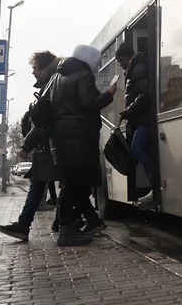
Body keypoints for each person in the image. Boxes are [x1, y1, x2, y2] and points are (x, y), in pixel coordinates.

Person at [45, 44, 115, 246]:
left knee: (71, 184)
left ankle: (68, 226)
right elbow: (89, 103)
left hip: (62, 139)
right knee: (80, 186)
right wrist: (110, 93)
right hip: (78, 139)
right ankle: (68, 230)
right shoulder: (83, 75)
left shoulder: (58, 77)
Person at [0, 50, 60, 242]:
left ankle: (26, 225)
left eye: (35, 68)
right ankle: (30, 225)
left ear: (43, 68)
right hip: (48, 145)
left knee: (52, 185)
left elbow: (43, 122)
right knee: (45, 185)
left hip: (50, 144)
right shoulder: (49, 84)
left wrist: (26, 146)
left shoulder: (51, 85)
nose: (33, 72)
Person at [115, 42, 156, 198]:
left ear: (129, 57)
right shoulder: (135, 69)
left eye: (123, 61)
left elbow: (145, 94)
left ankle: (156, 182)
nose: (122, 66)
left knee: (136, 149)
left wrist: (130, 110)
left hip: (144, 119)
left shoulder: (139, 69)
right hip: (140, 119)